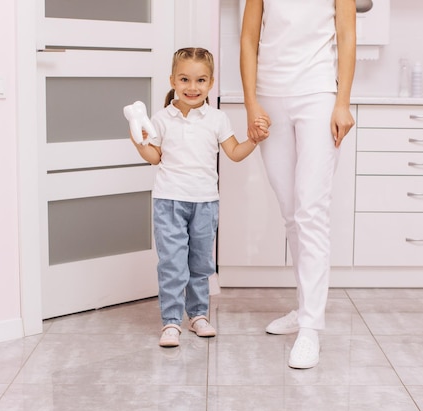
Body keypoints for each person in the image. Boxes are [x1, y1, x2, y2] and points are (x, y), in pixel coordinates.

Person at [240, 0, 356, 368]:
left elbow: (347, 35)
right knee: (291, 213)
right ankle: (304, 307)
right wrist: (251, 104)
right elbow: (248, 38)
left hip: (318, 95)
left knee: (311, 211)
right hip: (270, 98)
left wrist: (343, 103)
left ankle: (310, 327)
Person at [130, 47, 270, 348]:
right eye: (184, 79)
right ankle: (171, 321)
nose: (192, 87)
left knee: (200, 263)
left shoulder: (217, 119)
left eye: (200, 80)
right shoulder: (161, 119)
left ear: (210, 83)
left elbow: (234, 153)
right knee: (172, 263)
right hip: (169, 201)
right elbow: (154, 157)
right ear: (172, 81)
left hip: (205, 203)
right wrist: (140, 144)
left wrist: (254, 141)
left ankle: (197, 315)